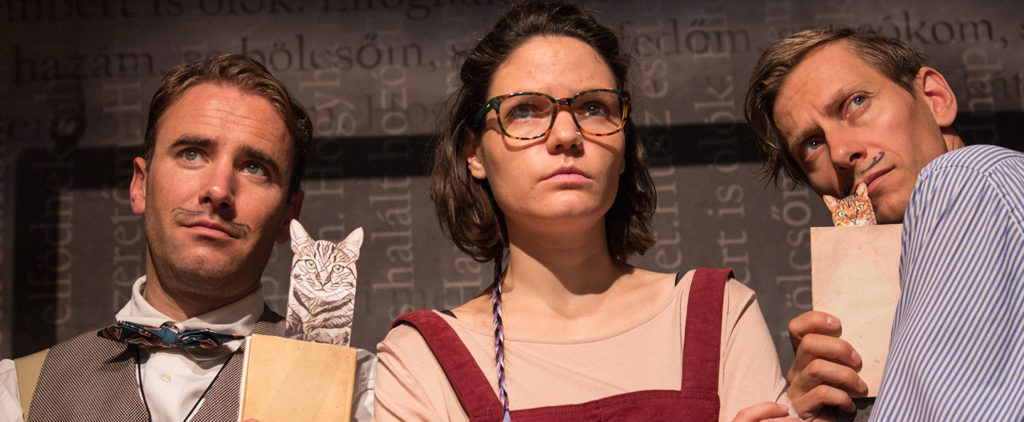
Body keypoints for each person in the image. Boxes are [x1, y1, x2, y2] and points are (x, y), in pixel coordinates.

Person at [374, 2, 795, 421]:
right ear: (474, 153)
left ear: (625, 148)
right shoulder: (423, 360)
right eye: (523, 110)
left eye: (594, 107)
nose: (566, 135)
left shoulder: (717, 313)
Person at [0, 53, 371, 422]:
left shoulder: (358, 396)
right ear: (141, 186)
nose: (218, 189)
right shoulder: (16, 395)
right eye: (192, 153)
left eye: (254, 167)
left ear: (288, 216)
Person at [745, 27, 1024, 420]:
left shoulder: (962, 178)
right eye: (812, 143)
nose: (841, 152)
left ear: (934, 98)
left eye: (856, 103)